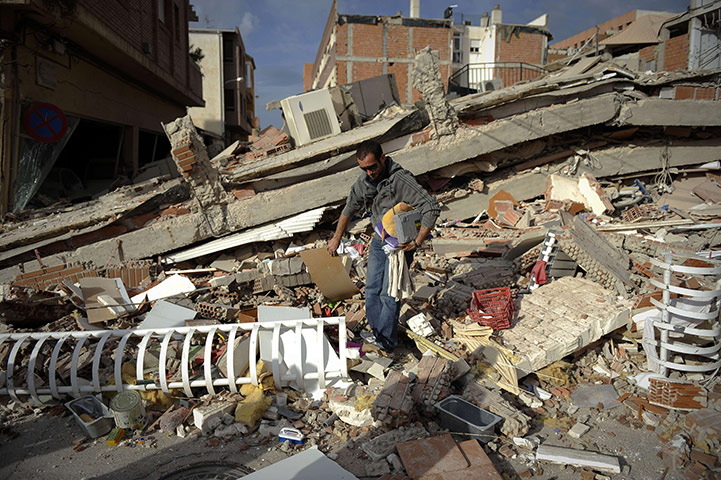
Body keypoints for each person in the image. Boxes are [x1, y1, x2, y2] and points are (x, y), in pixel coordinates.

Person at [327, 140, 440, 352]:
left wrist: (417, 241)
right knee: (371, 290)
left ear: (382, 159)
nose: (369, 172)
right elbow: (348, 209)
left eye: (373, 167)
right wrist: (336, 238)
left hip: (400, 246)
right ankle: (378, 334)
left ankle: (387, 343)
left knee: (389, 292)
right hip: (380, 240)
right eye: (364, 168)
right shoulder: (364, 182)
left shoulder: (400, 180)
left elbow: (431, 207)